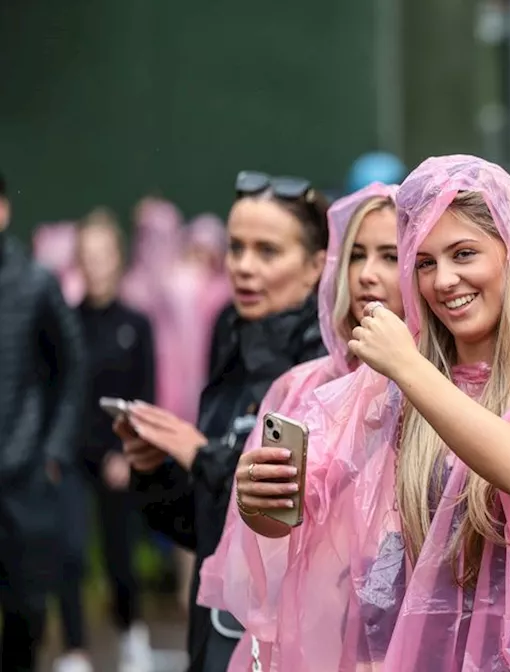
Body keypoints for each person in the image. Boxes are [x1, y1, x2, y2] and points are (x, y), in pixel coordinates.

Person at [230, 155, 510, 670]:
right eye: (424, 262)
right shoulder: (390, 383)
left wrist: (408, 369)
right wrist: (259, 499)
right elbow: (297, 512)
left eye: (464, 254)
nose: (443, 280)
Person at [115, 171, 330, 671]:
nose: (243, 267)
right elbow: (207, 529)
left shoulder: (330, 366)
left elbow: (307, 522)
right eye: (235, 248)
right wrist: (155, 469)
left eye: (267, 251)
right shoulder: (231, 338)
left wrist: (201, 454)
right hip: (214, 641)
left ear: (316, 266)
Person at [197, 181, 401, 670]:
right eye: (356, 255)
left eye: (391, 256)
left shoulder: (453, 392)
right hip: (314, 644)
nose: (367, 275)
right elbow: (267, 548)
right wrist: (250, 496)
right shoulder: (299, 388)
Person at [54, 210, 157, 672]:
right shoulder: (66, 323)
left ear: (118, 259)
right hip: (73, 458)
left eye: (103, 255)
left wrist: (126, 451)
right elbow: (57, 390)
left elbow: (145, 394)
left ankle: (131, 636)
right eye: (87, 256)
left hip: (120, 458)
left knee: (120, 556)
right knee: (70, 552)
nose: (95, 265)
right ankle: (75, 649)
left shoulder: (136, 324)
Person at [0, 169, 88, 672]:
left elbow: (71, 369)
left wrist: (52, 450)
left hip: (23, 477)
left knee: (26, 613)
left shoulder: (35, 283)